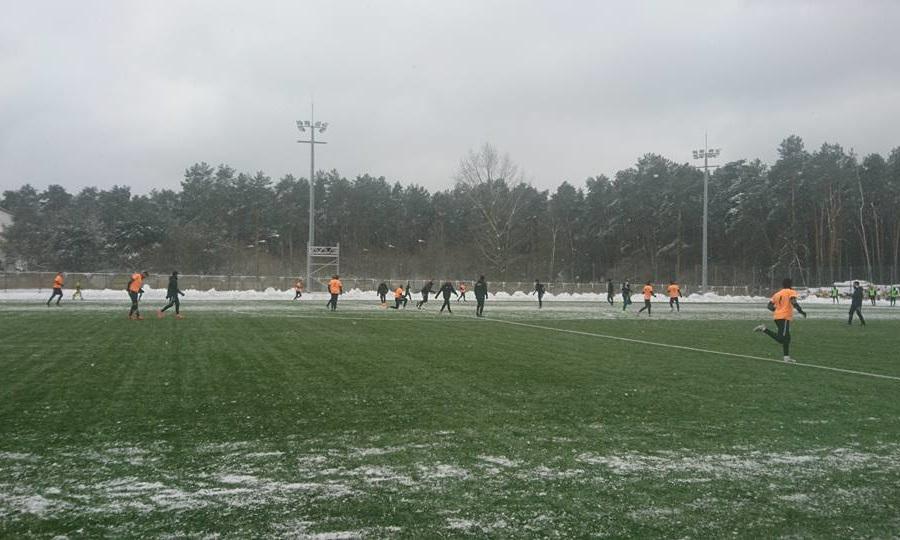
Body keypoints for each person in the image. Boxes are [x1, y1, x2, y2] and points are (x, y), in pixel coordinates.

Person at [754, 277, 807, 362]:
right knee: (782, 339)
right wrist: (801, 311)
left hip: (777, 317)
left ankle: (786, 357)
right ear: (790, 284)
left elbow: (769, 306)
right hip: (784, 317)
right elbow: (793, 301)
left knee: (787, 338)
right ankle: (764, 329)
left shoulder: (777, 294)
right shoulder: (791, 292)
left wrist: (777, 311)